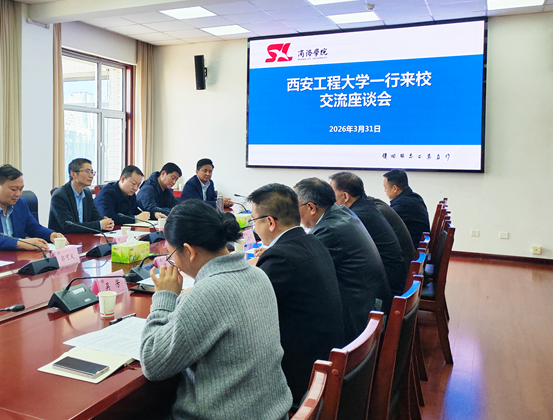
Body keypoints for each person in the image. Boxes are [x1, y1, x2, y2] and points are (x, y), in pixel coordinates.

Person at [140, 200, 293, 420]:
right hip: (272, 413)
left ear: (189, 251)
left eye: (172, 256)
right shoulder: (258, 274)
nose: (174, 264)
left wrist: (164, 297)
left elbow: (153, 364)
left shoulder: (206, 294)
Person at [246, 183, 344, 404]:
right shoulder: (312, 242)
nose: (254, 228)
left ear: (270, 222)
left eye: (254, 221)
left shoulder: (281, 258)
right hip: (324, 358)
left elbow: (246, 308)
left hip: (300, 373)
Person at [295, 177, 391, 343]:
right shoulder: (342, 214)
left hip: (359, 317)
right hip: (371, 304)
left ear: (311, 207)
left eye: (294, 207)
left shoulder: (329, 230)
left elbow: (302, 268)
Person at [330, 172, 408, 296]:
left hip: (387, 287)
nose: (329, 199)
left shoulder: (356, 217)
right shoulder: (367, 206)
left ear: (345, 196)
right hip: (392, 276)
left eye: (332, 194)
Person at [0, 164, 64, 252]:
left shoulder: (20, 204)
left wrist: (51, 235)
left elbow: (34, 228)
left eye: (21, 189)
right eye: (14, 189)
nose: (18, 194)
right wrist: (20, 243)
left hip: (14, 257)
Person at [49, 158, 115, 233]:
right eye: (87, 172)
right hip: (64, 238)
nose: (91, 176)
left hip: (83, 236)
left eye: (92, 172)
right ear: (73, 174)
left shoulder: (87, 193)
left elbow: (95, 216)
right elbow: (68, 226)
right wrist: (99, 225)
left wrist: (106, 223)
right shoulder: (59, 196)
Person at [383, 169, 431, 250]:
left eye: (385, 188)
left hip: (412, 250)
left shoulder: (403, 205)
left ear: (395, 188)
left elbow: (383, 222)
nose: (385, 191)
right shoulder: (415, 197)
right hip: (419, 246)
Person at [369, 195, 418, 265]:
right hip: (408, 258)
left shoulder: (373, 212)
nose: (385, 191)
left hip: (403, 264)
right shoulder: (379, 205)